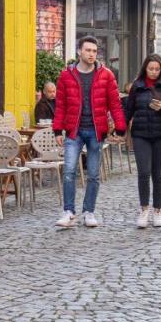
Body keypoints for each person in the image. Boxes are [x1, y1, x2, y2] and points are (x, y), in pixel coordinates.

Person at [51, 36, 126, 228]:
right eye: (88, 50)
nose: (92, 54)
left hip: (96, 130)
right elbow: (60, 105)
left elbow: (115, 104)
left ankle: (89, 212)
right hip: (74, 131)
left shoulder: (106, 75)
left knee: (93, 174)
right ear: (79, 52)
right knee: (68, 171)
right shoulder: (66, 75)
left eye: (94, 51)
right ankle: (69, 211)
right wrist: (57, 130)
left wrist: (120, 127)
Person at [123, 54, 161, 228]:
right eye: (151, 69)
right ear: (145, 69)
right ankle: (144, 210)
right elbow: (128, 111)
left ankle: (157, 211)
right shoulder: (137, 87)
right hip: (140, 134)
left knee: (158, 174)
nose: (154, 72)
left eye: (157, 69)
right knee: (143, 172)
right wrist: (120, 130)